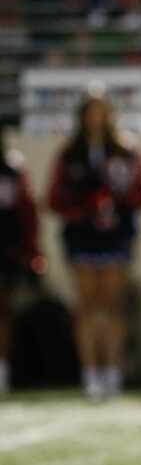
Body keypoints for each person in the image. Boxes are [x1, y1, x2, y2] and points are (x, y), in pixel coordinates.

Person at [46, 84, 141, 400]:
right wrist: (84, 208)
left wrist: (120, 202)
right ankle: (91, 374)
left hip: (116, 235)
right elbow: (54, 197)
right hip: (81, 236)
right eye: (90, 111)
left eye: (101, 111)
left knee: (113, 305)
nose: (96, 118)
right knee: (87, 305)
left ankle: (112, 372)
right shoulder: (69, 153)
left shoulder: (126, 149)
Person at [0, 127, 44, 395]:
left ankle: (2, 370)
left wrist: (31, 250)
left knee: (3, 311)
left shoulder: (13, 169)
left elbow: (27, 212)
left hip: (5, 249)